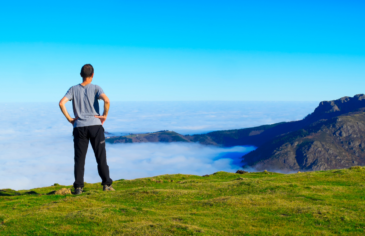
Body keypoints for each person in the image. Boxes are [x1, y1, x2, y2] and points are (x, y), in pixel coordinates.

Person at [59, 64, 114, 194]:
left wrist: (70, 119)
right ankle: (106, 185)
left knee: (79, 158)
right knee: (101, 157)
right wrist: (104, 115)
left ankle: (78, 187)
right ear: (92, 75)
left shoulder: (73, 89)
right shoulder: (96, 88)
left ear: (81, 75)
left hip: (79, 127)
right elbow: (106, 101)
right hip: (95, 126)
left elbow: (61, 103)